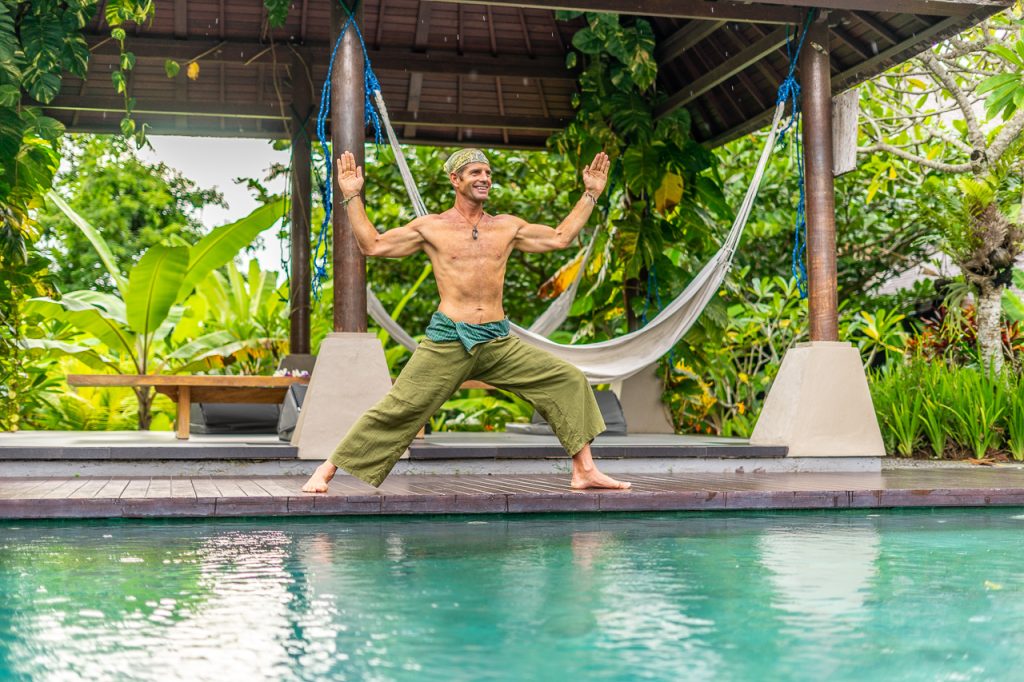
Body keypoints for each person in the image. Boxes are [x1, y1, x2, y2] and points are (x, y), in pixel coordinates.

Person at [302, 148, 630, 493]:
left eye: (487, 173)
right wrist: (352, 195)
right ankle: (326, 469)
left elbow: (561, 237)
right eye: (475, 173)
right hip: (449, 338)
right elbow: (373, 244)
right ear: (455, 180)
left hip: (497, 340)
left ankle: (584, 471)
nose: (484, 178)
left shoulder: (507, 227)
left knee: (567, 379)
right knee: (400, 406)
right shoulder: (432, 227)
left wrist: (591, 193)